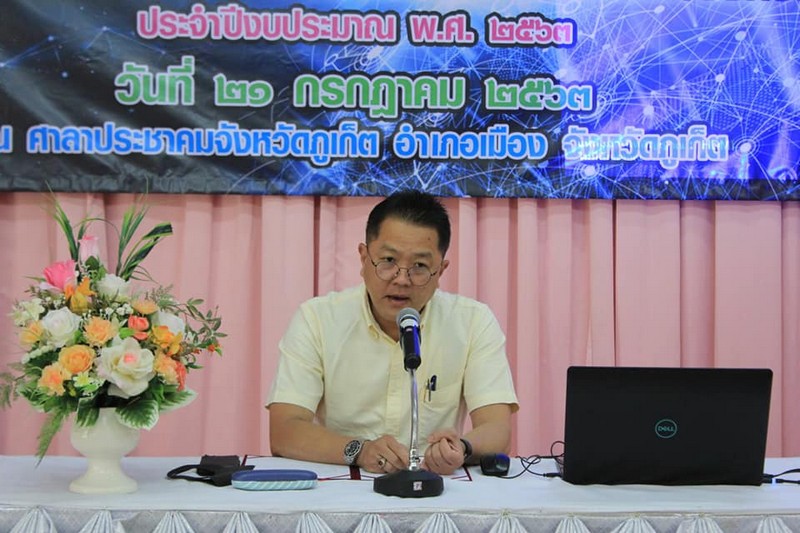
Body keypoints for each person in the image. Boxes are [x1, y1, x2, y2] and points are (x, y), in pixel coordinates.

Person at [266, 190, 518, 475]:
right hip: (345, 482)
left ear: (440, 271)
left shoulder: (473, 322)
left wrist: (462, 447)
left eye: (420, 266)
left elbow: (497, 429)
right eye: (388, 261)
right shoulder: (317, 319)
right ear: (363, 258)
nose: (401, 279)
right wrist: (360, 450)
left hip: (433, 483)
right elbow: (285, 430)